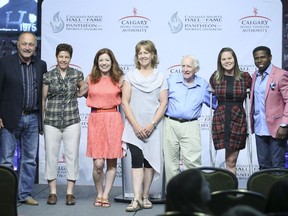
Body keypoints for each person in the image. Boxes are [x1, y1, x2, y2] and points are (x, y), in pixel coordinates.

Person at [0, 31, 47, 205]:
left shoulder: (41, 65)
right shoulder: (4, 64)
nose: (27, 47)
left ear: (35, 47)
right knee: (6, 160)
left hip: (33, 118)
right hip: (9, 118)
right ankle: (5, 197)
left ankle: (24, 194)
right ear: (17, 45)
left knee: (29, 160)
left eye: (31, 44)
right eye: (24, 44)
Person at [121, 40, 168, 212]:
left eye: (146, 52)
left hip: (153, 127)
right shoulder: (130, 76)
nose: (143, 55)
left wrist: (152, 124)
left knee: (149, 161)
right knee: (136, 160)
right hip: (134, 126)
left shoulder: (161, 77)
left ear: (153, 55)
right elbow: (124, 102)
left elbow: (163, 103)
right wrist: (136, 126)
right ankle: (136, 198)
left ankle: (145, 196)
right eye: (140, 53)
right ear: (137, 56)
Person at [42, 43, 86, 205]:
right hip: (51, 121)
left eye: (66, 57)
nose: (63, 59)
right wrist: (42, 121)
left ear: (70, 58)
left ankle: (69, 193)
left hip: (71, 121)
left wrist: (80, 91)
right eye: (61, 56)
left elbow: (84, 90)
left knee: (72, 156)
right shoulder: (48, 75)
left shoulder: (76, 74)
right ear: (56, 57)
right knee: (51, 156)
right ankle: (52, 192)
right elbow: (43, 99)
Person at [163, 55, 217, 184]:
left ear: (196, 69)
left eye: (189, 66)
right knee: (171, 163)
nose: (185, 69)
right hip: (170, 123)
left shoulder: (203, 85)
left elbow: (215, 104)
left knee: (193, 163)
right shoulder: (171, 80)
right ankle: (173, 195)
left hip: (190, 125)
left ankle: (193, 194)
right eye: (183, 66)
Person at [84, 48, 124, 208]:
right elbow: (79, 92)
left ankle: (105, 195)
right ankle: (98, 192)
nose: (104, 63)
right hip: (96, 120)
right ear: (97, 62)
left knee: (112, 163)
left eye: (107, 60)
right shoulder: (90, 78)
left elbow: (127, 100)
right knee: (98, 164)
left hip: (113, 119)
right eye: (101, 60)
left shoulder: (119, 79)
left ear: (112, 62)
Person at [209, 47, 252, 175]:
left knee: (231, 160)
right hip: (220, 118)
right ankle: (224, 190)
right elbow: (209, 96)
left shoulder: (245, 77)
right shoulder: (215, 77)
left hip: (237, 118)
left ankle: (231, 192)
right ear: (220, 61)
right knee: (226, 158)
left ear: (235, 59)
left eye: (229, 58)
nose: (227, 61)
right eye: (224, 59)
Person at [250, 46, 288, 170]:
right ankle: (264, 190)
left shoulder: (281, 74)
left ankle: (279, 190)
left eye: (263, 57)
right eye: (256, 58)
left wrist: (284, 125)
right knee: (263, 166)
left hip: (277, 128)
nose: (259, 61)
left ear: (270, 57)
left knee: (277, 166)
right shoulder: (254, 75)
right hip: (260, 127)